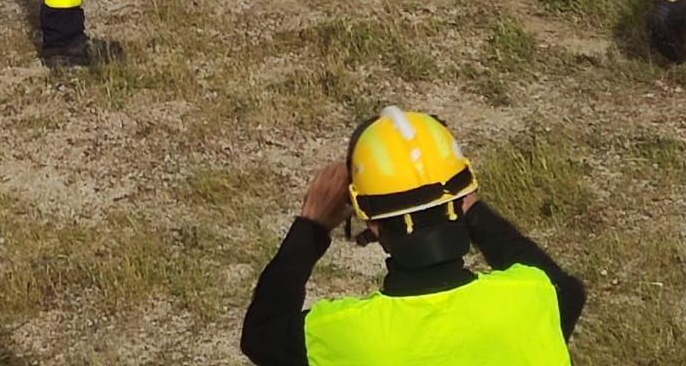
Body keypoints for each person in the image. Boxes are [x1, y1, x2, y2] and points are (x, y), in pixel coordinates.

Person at [241, 106, 586, 366]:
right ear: (459, 200)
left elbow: (261, 334)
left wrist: (312, 223)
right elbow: (568, 291)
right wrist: (470, 208)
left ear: (373, 224)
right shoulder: (532, 298)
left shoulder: (348, 336)